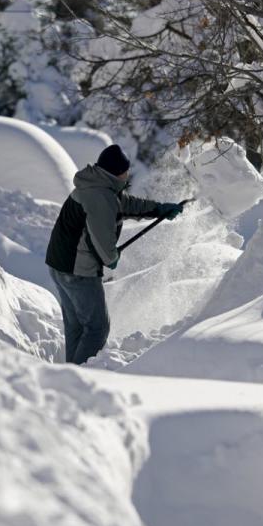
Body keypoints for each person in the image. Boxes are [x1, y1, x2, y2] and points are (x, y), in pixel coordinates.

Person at [45, 144, 183, 365]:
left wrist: (158, 209)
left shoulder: (97, 185)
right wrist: (111, 258)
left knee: (77, 326)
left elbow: (125, 204)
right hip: (77, 270)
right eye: (126, 170)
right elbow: (101, 237)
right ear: (119, 172)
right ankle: (80, 377)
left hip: (59, 264)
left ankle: (69, 373)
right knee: (97, 328)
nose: (128, 174)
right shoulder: (100, 197)